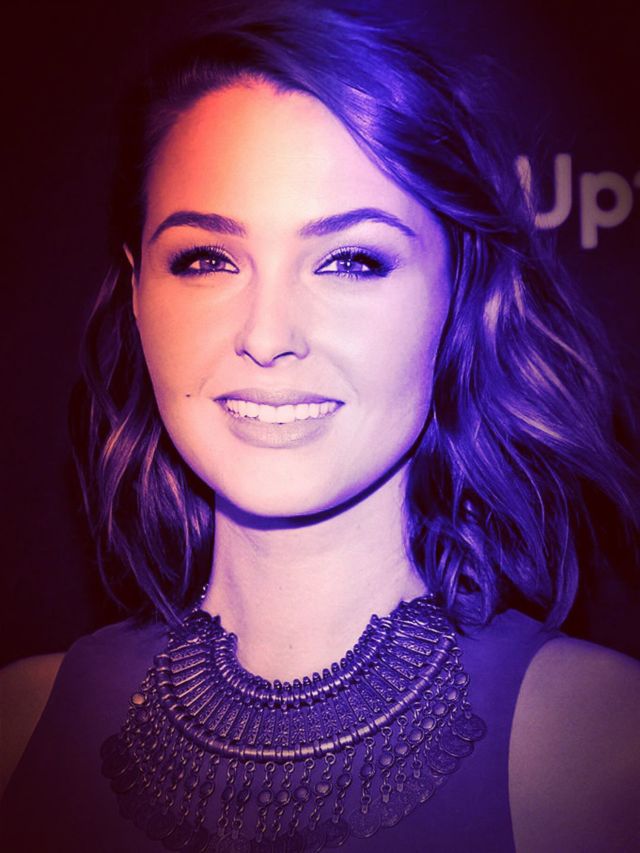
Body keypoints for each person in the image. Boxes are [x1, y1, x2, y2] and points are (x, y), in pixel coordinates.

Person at [1, 3, 639, 851]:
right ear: (138, 296)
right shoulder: (18, 733)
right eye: (206, 260)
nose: (268, 335)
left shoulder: (607, 755)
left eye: (351, 260)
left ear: (457, 296)